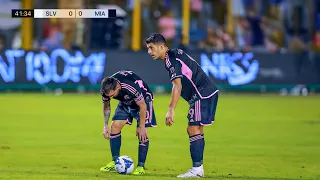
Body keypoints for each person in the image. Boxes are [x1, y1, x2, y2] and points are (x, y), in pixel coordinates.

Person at [145, 33, 219, 178]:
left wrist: (171, 109)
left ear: (161, 46)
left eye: (151, 48)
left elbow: (177, 86)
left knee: (193, 128)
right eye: (148, 48)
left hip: (202, 93)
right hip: (205, 92)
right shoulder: (175, 54)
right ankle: (198, 168)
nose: (149, 52)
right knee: (197, 129)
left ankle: (197, 169)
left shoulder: (170, 59)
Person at [99, 70, 157, 175]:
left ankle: (140, 166)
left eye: (112, 95)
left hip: (143, 102)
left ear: (118, 88)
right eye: (109, 96)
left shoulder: (130, 87)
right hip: (125, 102)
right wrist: (105, 125)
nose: (111, 98)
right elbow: (106, 107)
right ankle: (115, 161)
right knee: (114, 127)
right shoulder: (105, 90)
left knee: (142, 134)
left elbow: (143, 106)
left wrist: (142, 126)